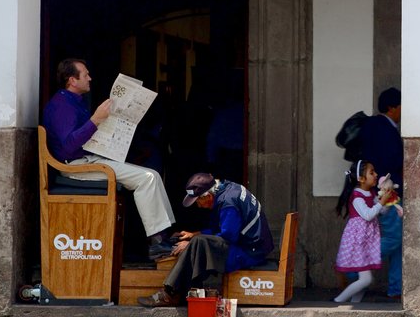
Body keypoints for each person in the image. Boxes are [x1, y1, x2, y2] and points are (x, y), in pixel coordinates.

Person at [43, 58, 176, 260]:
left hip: (90, 159)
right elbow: (68, 146)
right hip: (77, 166)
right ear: (72, 80)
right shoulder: (61, 105)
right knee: (146, 178)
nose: (90, 78)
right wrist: (96, 119)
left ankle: (164, 235)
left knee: (153, 175)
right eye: (85, 74)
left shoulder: (73, 101)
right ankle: (157, 242)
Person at [138, 172, 274, 307]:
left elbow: (228, 236)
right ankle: (181, 292)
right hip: (246, 245)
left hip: (250, 252)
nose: (198, 205)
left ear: (208, 196)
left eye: (198, 200)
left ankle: (170, 294)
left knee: (198, 243)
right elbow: (223, 229)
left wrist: (192, 242)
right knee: (197, 241)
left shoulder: (228, 203)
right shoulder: (226, 189)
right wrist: (195, 234)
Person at [357, 87, 402, 299]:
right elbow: (391, 162)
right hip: (387, 194)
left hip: (384, 192)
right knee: (393, 238)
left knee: (398, 241)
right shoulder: (386, 130)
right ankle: (355, 269)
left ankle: (396, 288)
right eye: (401, 106)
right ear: (392, 108)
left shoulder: (375, 126)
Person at [334, 160, 392, 303]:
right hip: (358, 241)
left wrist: (385, 200)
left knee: (364, 280)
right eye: (371, 172)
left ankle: (355, 305)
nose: (376, 174)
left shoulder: (370, 192)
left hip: (366, 240)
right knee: (366, 279)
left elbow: (381, 211)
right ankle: (337, 302)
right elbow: (368, 215)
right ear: (361, 178)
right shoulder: (356, 196)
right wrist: (381, 202)